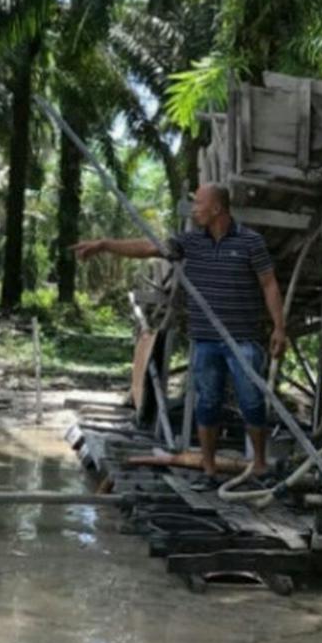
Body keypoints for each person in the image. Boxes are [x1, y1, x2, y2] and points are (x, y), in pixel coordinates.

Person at [72, 182, 286, 490]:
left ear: (217, 208)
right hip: (205, 340)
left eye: (199, 203)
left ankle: (260, 465)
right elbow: (148, 247)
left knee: (252, 401)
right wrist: (105, 245)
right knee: (207, 404)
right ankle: (209, 470)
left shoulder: (251, 242)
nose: (194, 209)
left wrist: (279, 327)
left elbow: (269, 284)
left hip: (242, 339)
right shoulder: (190, 242)